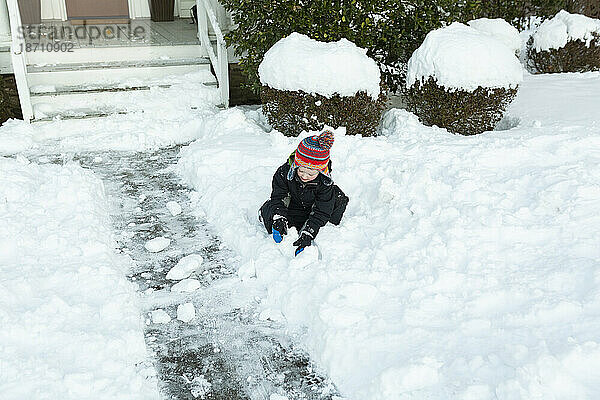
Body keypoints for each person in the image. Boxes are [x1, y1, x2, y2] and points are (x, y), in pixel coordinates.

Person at [259, 130, 349, 255]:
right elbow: (278, 197)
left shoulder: (325, 183)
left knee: (338, 199)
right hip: (292, 206)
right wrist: (279, 217)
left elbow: (323, 210)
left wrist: (309, 232)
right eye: (301, 171)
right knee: (270, 210)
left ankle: (319, 228)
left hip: (313, 208)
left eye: (311, 174)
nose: (305, 176)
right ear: (296, 164)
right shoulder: (284, 173)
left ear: (321, 171)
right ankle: (277, 219)